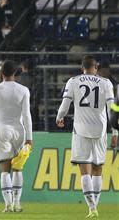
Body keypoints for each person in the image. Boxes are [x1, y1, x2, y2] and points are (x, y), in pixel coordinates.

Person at [56, 56, 114, 219]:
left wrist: (59, 117)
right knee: (98, 169)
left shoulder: (73, 81)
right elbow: (112, 109)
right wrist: (115, 131)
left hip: (81, 130)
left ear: (82, 68)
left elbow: (65, 105)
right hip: (100, 131)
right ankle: (95, 205)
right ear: (95, 67)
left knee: (84, 171)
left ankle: (91, 208)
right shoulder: (106, 83)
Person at [0, 60, 33, 213]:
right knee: (17, 169)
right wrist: (29, 137)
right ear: (15, 73)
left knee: (4, 169)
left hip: (2, 129)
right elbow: (27, 115)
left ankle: (8, 205)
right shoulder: (23, 90)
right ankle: (17, 203)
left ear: (1, 73)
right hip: (19, 129)